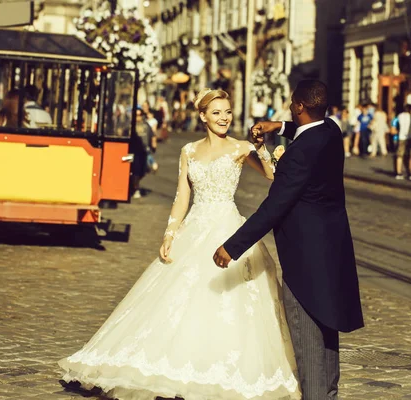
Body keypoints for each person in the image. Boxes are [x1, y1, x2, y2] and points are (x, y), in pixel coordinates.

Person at [59, 88, 301, 400]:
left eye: (227, 112)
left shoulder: (240, 147)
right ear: (203, 117)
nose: (223, 118)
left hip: (227, 227)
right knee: (175, 299)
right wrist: (170, 234)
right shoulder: (188, 151)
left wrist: (262, 147)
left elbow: (271, 176)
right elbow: (182, 197)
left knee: (228, 302)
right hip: (194, 229)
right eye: (216, 113)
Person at [214, 80, 364, 400]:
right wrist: (278, 126)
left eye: (290, 105)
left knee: (307, 334)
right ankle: (329, 394)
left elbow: (274, 207)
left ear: (299, 106)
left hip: (304, 256)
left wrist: (233, 247)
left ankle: (315, 396)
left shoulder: (300, 154)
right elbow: (305, 128)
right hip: (332, 250)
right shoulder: (330, 131)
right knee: (327, 329)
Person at [131, 107, 157, 198]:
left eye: (139, 115)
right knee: (136, 171)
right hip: (134, 152)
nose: (138, 117)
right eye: (136, 115)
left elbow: (152, 135)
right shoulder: (131, 125)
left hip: (145, 151)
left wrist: (154, 145)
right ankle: (136, 189)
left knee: (144, 170)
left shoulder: (146, 125)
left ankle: (134, 183)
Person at [393, 105, 411, 180]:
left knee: (399, 156)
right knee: (409, 156)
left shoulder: (399, 116)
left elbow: (395, 127)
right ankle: (409, 172)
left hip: (400, 137)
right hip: (409, 138)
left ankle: (398, 172)